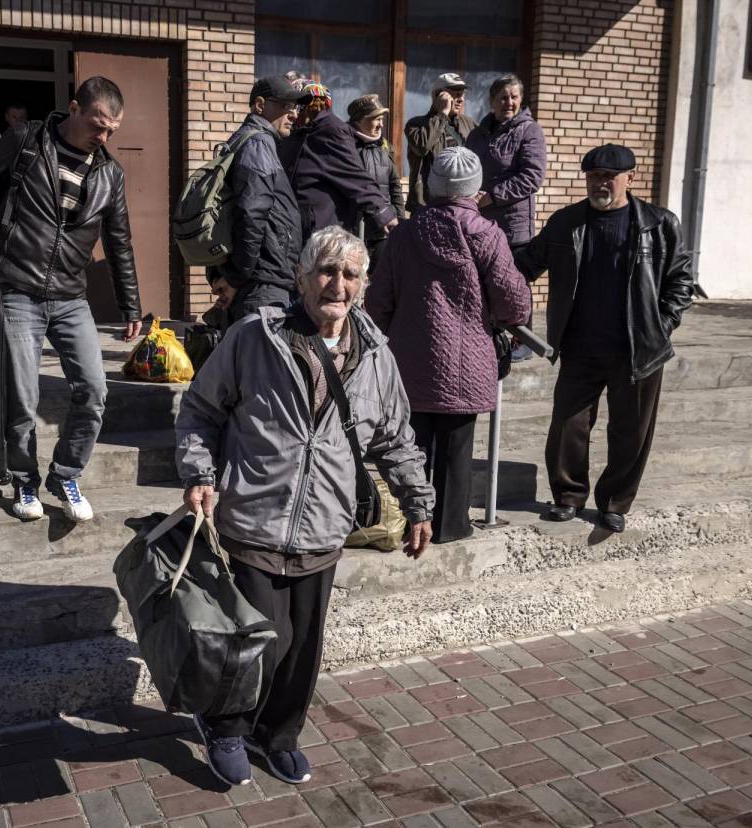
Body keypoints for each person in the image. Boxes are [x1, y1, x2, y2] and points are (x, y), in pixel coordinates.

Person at [176, 225, 435, 788]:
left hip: (324, 525)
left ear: (363, 285)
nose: (336, 284)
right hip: (255, 517)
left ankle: (278, 736)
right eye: (325, 270)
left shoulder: (376, 357)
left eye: (349, 274)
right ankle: (225, 726)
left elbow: (394, 437)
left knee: (301, 652)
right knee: (259, 640)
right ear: (301, 277)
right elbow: (200, 409)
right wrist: (199, 473)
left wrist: (418, 503)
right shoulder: (254, 337)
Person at [0, 76, 141, 523]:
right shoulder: (25, 140)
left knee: (94, 389)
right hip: (17, 288)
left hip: (71, 296)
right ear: (74, 108)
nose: (104, 137)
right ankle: (22, 478)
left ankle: (65, 473)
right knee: (23, 396)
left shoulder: (109, 174)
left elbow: (120, 242)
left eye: (112, 130)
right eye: (98, 125)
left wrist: (131, 305)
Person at [514, 144, 694, 533]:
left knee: (631, 431)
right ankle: (568, 497)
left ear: (631, 177)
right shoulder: (567, 222)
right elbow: (525, 264)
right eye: (594, 176)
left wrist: (662, 324)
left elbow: (682, 280)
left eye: (609, 177)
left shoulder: (659, 224)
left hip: (638, 350)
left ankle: (614, 502)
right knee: (567, 426)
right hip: (580, 346)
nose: (600, 184)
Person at [366, 147, 530, 544]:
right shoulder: (486, 233)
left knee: (409, 445)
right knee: (457, 450)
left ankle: (408, 523)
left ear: (433, 185)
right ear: (474, 187)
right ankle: (452, 526)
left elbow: (378, 302)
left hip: (409, 359)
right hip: (468, 360)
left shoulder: (404, 234)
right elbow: (513, 302)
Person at [208, 76, 309, 327]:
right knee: (261, 362)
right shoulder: (257, 143)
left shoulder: (256, 141)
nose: (294, 114)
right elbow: (251, 215)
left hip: (260, 279)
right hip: (261, 284)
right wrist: (236, 277)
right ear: (260, 105)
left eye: (295, 107)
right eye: (286, 106)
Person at [466, 74, 546, 361]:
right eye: (502, 97)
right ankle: (488, 337)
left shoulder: (529, 132)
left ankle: (522, 341)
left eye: (513, 96)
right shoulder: (477, 134)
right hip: (480, 223)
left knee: (514, 282)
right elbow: (467, 169)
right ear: (491, 101)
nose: (508, 102)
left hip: (512, 226)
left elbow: (532, 177)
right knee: (482, 280)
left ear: (521, 100)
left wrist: (493, 195)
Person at [278, 82, 399, 244]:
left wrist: (383, 213)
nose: (293, 113)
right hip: (294, 227)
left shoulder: (330, 130)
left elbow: (354, 175)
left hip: (320, 230)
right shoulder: (297, 132)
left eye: (298, 105)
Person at [404, 72, 476, 214]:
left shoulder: (469, 124)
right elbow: (422, 147)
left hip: (460, 205)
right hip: (427, 205)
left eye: (462, 94)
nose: (460, 99)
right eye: (455, 94)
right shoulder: (416, 124)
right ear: (438, 96)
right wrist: (441, 114)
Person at [347, 94, 403, 271]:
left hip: (383, 232)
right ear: (360, 120)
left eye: (382, 119)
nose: (381, 124)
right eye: (376, 119)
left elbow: (394, 187)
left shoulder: (382, 149)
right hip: (353, 232)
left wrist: (399, 221)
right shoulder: (345, 148)